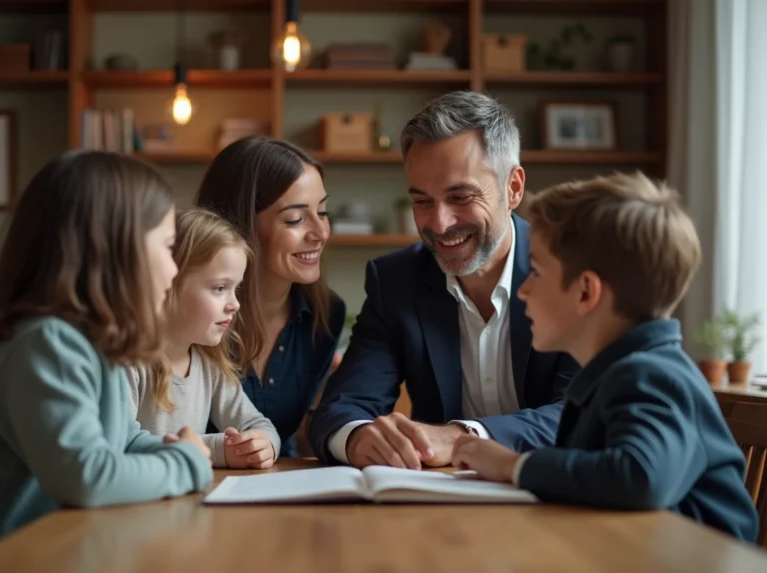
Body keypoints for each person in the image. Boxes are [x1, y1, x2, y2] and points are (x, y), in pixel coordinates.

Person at [0, 151, 214, 573]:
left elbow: (123, 439)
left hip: (54, 552)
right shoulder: (44, 344)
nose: (174, 267)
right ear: (114, 253)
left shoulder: (92, 346)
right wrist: (185, 464)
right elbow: (86, 477)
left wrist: (187, 452)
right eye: (167, 247)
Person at [451, 172, 759, 542]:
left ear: (586, 292)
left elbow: (639, 479)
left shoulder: (652, 376)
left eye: (536, 272)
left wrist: (512, 465)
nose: (523, 291)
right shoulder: (618, 373)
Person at [309, 90, 579, 469]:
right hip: (439, 507)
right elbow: (344, 406)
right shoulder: (395, 281)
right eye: (422, 201)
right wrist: (357, 438)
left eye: (461, 197)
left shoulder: (570, 271)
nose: (439, 224)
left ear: (513, 187)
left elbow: (579, 414)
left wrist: (463, 439)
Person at [195, 136, 346, 458]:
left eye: (322, 211)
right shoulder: (192, 313)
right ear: (239, 225)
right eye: (295, 219)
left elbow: (292, 439)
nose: (320, 233)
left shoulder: (326, 315)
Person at [128, 208, 281, 468]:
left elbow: (257, 424)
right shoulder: (131, 362)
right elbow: (123, 442)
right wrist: (218, 450)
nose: (234, 304)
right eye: (219, 288)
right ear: (168, 283)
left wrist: (263, 443)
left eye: (236, 289)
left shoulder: (210, 364)